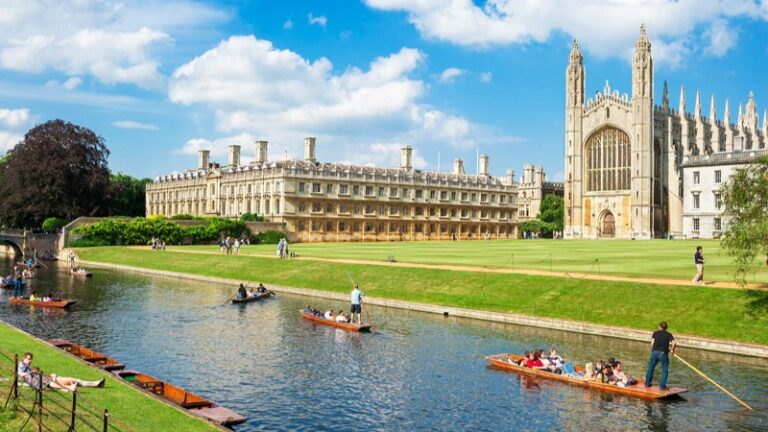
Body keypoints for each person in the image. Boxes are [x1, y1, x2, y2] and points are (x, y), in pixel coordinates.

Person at [18, 352, 104, 392]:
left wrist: (50, 375)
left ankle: (95, 384)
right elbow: (21, 374)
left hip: (50, 379)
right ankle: (70, 388)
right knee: (69, 383)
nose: (30, 361)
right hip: (48, 382)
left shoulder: (28, 367)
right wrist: (32, 372)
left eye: (31, 359)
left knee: (75, 380)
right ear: (24, 358)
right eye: (29, 359)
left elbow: (40, 375)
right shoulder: (21, 365)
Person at [645, 321, 676, 390]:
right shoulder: (669, 334)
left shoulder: (655, 333)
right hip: (663, 354)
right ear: (666, 328)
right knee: (664, 370)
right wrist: (672, 350)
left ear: (659, 327)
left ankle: (647, 383)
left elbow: (652, 344)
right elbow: (674, 343)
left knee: (651, 368)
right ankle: (662, 386)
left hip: (655, 352)